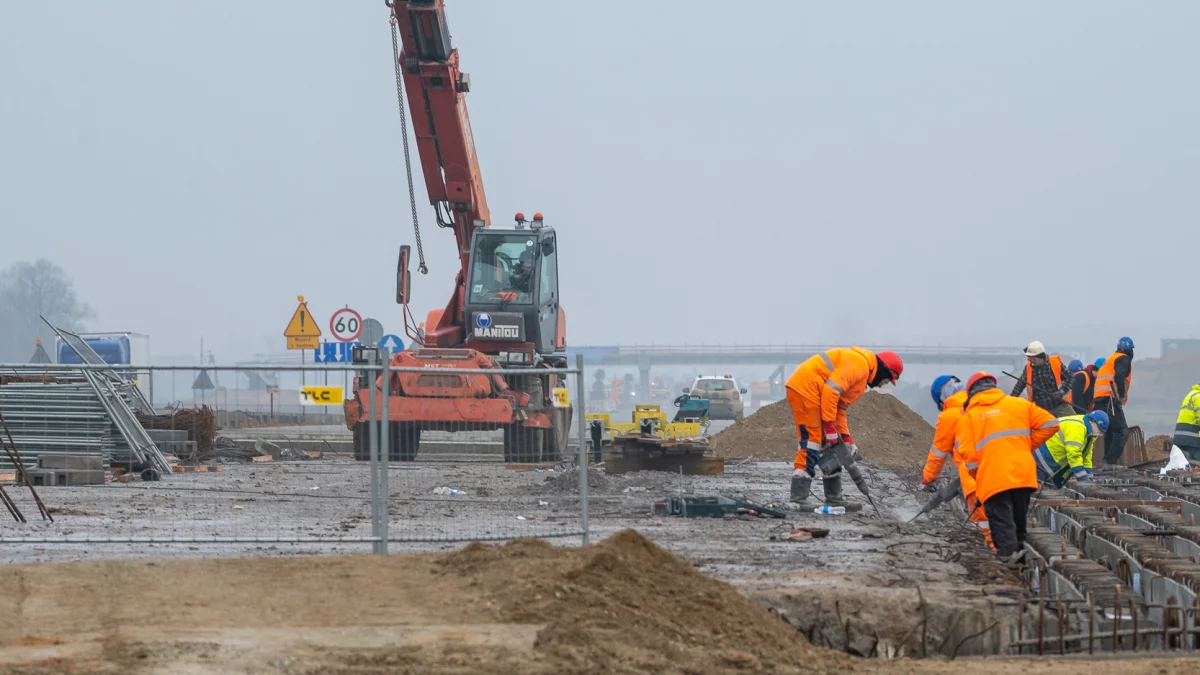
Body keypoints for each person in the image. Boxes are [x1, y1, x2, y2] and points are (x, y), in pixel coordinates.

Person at [956, 372, 1059, 568]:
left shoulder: (969, 418)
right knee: (1018, 522)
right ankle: (1020, 563)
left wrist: (979, 477)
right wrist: (1024, 445)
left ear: (971, 394)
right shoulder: (1019, 405)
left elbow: (968, 457)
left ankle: (1009, 566)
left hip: (994, 480)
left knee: (1002, 524)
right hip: (1023, 475)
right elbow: (1051, 424)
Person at [785, 347, 904, 506]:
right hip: (807, 389)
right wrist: (829, 427)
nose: (884, 384)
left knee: (832, 447)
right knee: (812, 442)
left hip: (814, 391)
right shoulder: (859, 365)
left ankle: (834, 498)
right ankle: (798, 498)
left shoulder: (861, 377)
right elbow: (830, 391)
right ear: (884, 370)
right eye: (888, 380)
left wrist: (846, 439)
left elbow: (839, 409)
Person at [919, 375, 993, 550]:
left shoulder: (949, 415)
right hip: (1003, 469)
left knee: (985, 523)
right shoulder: (984, 406)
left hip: (973, 476)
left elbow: (938, 453)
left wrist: (928, 480)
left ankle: (995, 557)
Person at [1033, 411, 1109, 486]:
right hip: (1041, 456)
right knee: (1034, 487)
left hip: (1050, 458)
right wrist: (1083, 479)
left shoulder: (1090, 434)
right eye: (1100, 431)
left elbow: (1086, 457)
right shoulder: (1078, 427)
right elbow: (1074, 455)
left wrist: (1089, 479)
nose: (1100, 434)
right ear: (1093, 422)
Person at [1094, 337, 1134, 467]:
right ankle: (1110, 462)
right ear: (1129, 350)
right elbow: (1119, 375)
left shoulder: (1111, 359)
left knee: (1110, 431)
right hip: (1110, 399)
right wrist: (1121, 395)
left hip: (1100, 399)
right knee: (1122, 432)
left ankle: (1107, 461)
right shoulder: (1123, 358)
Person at [1009, 341, 1073, 416]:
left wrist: (1061, 392)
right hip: (1040, 409)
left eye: (1033, 358)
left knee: (1074, 422)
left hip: (1059, 405)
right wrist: (1009, 402)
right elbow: (1019, 386)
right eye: (1029, 357)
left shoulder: (1055, 363)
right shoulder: (1028, 368)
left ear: (1041, 357)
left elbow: (1070, 378)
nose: (1030, 360)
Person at [1173, 384, 1200, 461]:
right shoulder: (1198, 397)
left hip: (1180, 437)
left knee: (1183, 464)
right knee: (1197, 463)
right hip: (1192, 438)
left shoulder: (1191, 394)